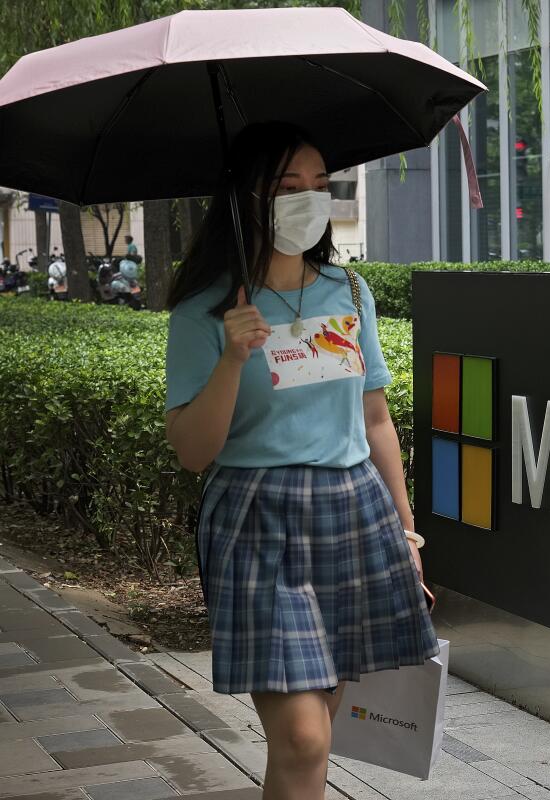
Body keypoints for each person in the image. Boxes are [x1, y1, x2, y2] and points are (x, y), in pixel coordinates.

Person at [162, 121, 438, 800]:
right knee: (303, 737)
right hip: (256, 521)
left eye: (321, 184)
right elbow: (194, 452)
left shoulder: (348, 293)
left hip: (352, 514)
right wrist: (233, 357)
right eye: (290, 186)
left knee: (319, 733)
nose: (309, 198)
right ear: (246, 198)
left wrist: (405, 530)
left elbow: (375, 418)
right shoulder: (205, 312)